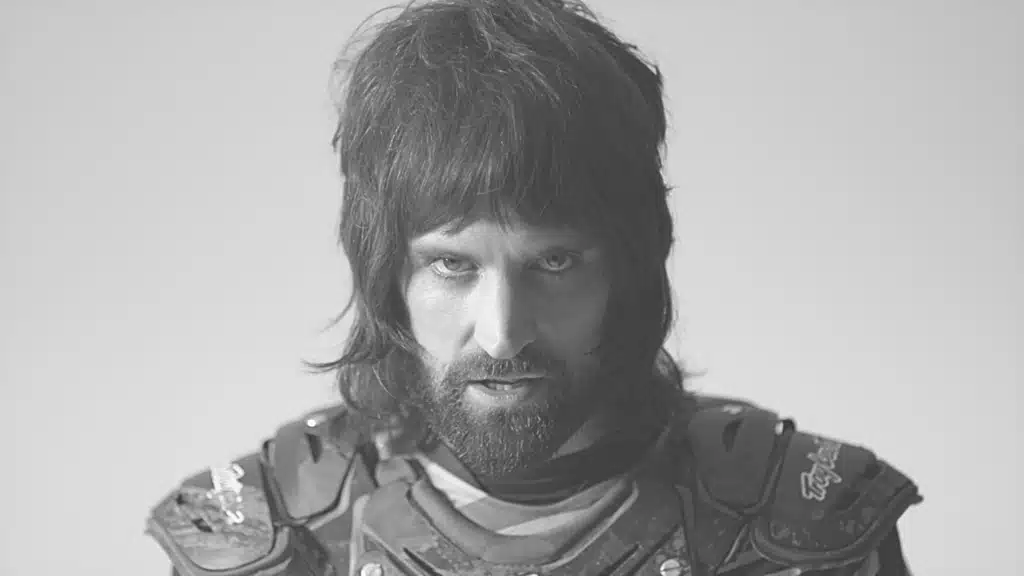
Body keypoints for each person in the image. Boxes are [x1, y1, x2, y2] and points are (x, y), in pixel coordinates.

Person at [145, 1, 922, 574]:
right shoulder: (266, 541)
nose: (503, 331)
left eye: (553, 264)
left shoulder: (804, 526)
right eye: (453, 266)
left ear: (629, 266)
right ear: (386, 274)